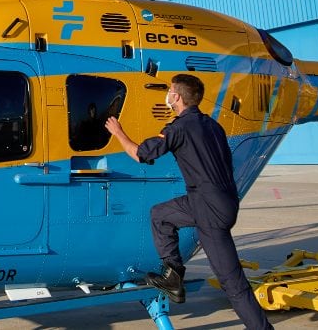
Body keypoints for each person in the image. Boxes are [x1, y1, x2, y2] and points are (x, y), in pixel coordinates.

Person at [105, 74, 272, 330]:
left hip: (208, 209)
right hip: (223, 201)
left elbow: (140, 154)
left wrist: (118, 132)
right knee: (161, 214)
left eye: (170, 91)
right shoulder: (212, 125)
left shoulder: (179, 128)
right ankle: (173, 275)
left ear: (177, 97)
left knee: (233, 284)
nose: (168, 94)